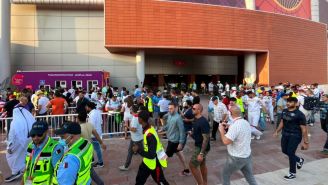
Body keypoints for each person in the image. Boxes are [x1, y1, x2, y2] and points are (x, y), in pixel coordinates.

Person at [219, 106, 258, 185]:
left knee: (225, 175)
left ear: (231, 114)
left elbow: (226, 141)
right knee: (250, 177)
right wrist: (229, 126)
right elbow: (239, 131)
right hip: (247, 155)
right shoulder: (245, 122)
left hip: (236, 158)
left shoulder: (235, 126)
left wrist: (222, 131)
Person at [274, 97, 309, 180]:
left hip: (295, 136)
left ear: (296, 103)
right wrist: (276, 131)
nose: (288, 103)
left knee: (290, 153)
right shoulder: (284, 111)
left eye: (291, 102)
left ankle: (292, 173)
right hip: (285, 134)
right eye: (288, 102)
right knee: (284, 150)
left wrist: (306, 142)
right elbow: (282, 122)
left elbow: (304, 129)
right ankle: (299, 160)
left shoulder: (300, 114)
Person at [133, 110, 169, 185]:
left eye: (138, 118)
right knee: (139, 180)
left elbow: (151, 155)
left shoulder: (150, 134)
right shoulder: (148, 128)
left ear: (140, 119)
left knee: (161, 182)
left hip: (155, 163)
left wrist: (138, 150)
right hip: (147, 162)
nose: (137, 119)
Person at [5, 98, 35, 182]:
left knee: (10, 155)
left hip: (18, 142)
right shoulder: (30, 118)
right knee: (25, 155)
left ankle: (15, 171)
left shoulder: (15, 122)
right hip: (29, 140)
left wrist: (9, 146)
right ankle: (23, 169)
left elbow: (12, 135)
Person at [159, 103, 190, 176]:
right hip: (171, 138)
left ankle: (159, 173)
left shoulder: (178, 118)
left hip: (174, 141)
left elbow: (182, 131)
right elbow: (168, 125)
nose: (169, 110)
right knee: (180, 154)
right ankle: (186, 170)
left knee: (165, 156)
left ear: (176, 108)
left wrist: (181, 143)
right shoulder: (169, 115)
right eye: (169, 108)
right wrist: (162, 129)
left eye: (171, 108)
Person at [77, 113, 106, 185]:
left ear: (78, 119)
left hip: (82, 149)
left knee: (86, 167)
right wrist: (101, 143)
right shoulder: (90, 125)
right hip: (89, 148)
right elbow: (96, 135)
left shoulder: (79, 127)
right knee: (88, 166)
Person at [189, 104, 210, 185]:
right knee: (202, 164)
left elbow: (206, 138)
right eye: (192, 108)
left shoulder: (203, 122)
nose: (192, 109)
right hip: (199, 145)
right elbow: (198, 134)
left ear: (199, 110)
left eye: (194, 108)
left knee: (192, 165)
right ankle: (204, 183)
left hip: (201, 147)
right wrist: (192, 134)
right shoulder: (196, 119)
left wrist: (201, 153)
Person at [119, 105, 144, 171]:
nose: (129, 110)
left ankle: (153, 161)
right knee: (132, 151)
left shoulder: (136, 118)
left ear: (132, 110)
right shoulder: (136, 116)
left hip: (137, 139)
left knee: (142, 152)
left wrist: (127, 126)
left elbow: (134, 130)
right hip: (135, 138)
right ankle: (126, 166)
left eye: (130, 109)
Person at [86, 102, 104, 168]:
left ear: (89, 107)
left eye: (86, 106)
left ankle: (100, 162)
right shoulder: (98, 112)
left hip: (94, 134)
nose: (86, 108)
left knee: (96, 148)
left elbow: (91, 126)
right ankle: (93, 160)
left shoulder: (92, 114)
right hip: (97, 132)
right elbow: (101, 122)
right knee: (92, 147)